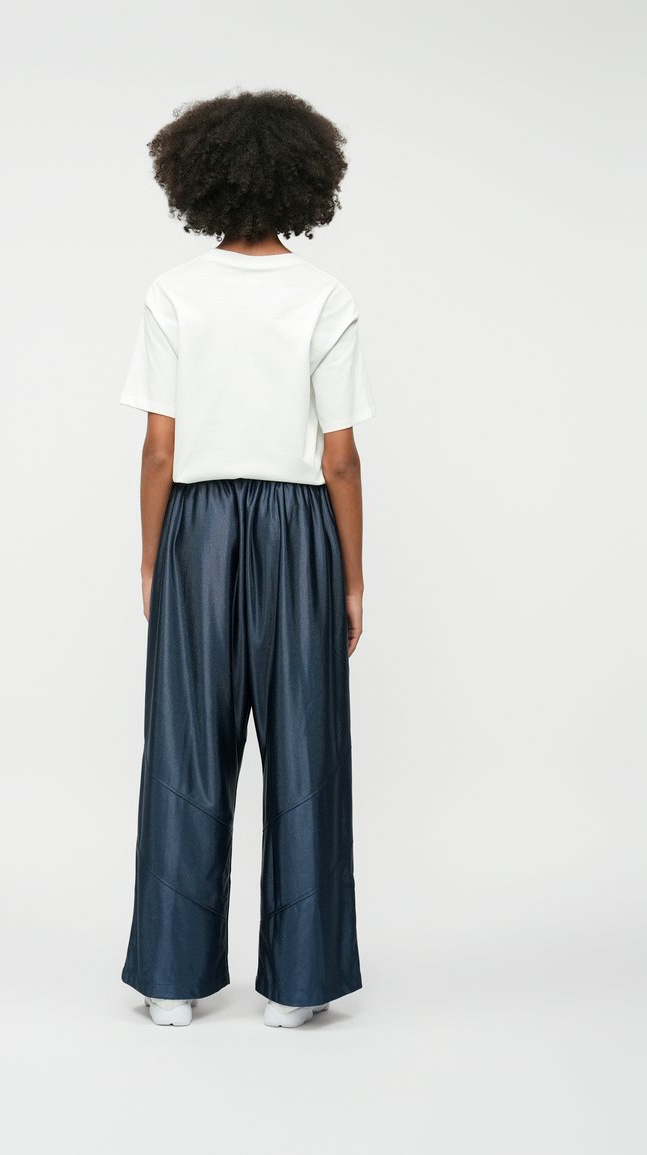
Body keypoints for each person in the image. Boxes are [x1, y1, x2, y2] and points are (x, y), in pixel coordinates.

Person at [119, 88, 375, 1028]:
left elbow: (159, 448)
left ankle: (171, 980)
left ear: (199, 181)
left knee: (187, 745)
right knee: (306, 749)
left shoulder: (174, 292)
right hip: (301, 529)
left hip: (198, 524)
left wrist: (154, 559)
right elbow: (340, 456)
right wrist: (353, 577)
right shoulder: (324, 296)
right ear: (306, 182)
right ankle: (298, 989)